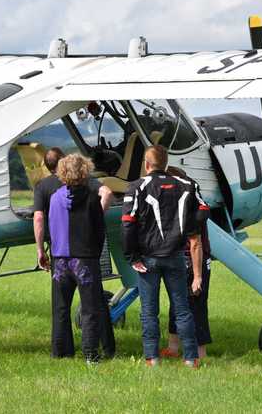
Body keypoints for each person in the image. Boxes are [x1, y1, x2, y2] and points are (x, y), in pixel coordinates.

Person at [121, 145, 204, 368]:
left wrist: (132, 257)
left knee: (149, 312)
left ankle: (152, 358)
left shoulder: (137, 187)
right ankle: (190, 359)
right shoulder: (187, 184)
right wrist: (190, 227)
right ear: (166, 164)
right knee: (182, 309)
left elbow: (127, 224)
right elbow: (204, 209)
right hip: (176, 256)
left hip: (147, 259)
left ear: (147, 165)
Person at [32, 147, 114, 359]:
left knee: (60, 309)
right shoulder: (91, 199)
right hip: (85, 259)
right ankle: (90, 354)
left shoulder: (55, 197)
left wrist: (44, 250)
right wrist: (94, 253)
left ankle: (60, 352)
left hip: (60, 260)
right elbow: (99, 230)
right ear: (85, 171)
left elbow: (48, 223)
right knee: (90, 310)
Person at [162, 166, 212, 359]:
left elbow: (196, 244)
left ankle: (200, 353)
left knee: (197, 304)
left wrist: (198, 276)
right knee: (176, 303)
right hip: (179, 258)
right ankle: (173, 348)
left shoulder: (191, 205)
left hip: (195, 259)